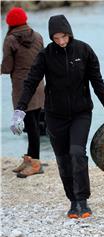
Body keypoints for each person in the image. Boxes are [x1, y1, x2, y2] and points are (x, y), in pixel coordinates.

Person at [10, 14, 104, 219]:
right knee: (63, 159)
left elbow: (97, 81)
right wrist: (20, 110)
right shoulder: (46, 55)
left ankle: (83, 200)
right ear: (52, 37)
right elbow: (31, 82)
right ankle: (72, 201)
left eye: (64, 37)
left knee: (77, 153)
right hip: (54, 115)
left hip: (81, 113)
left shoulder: (84, 50)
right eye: (56, 38)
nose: (60, 41)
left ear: (69, 33)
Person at [1, 7, 45, 178]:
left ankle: (35, 163)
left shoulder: (10, 40)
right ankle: (30, 159)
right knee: (33, 123)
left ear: (10, 24)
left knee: (31, 126)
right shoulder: (38, 36)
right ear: (25, 20)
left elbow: (7, 67)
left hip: (21, 88)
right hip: (39, 85)